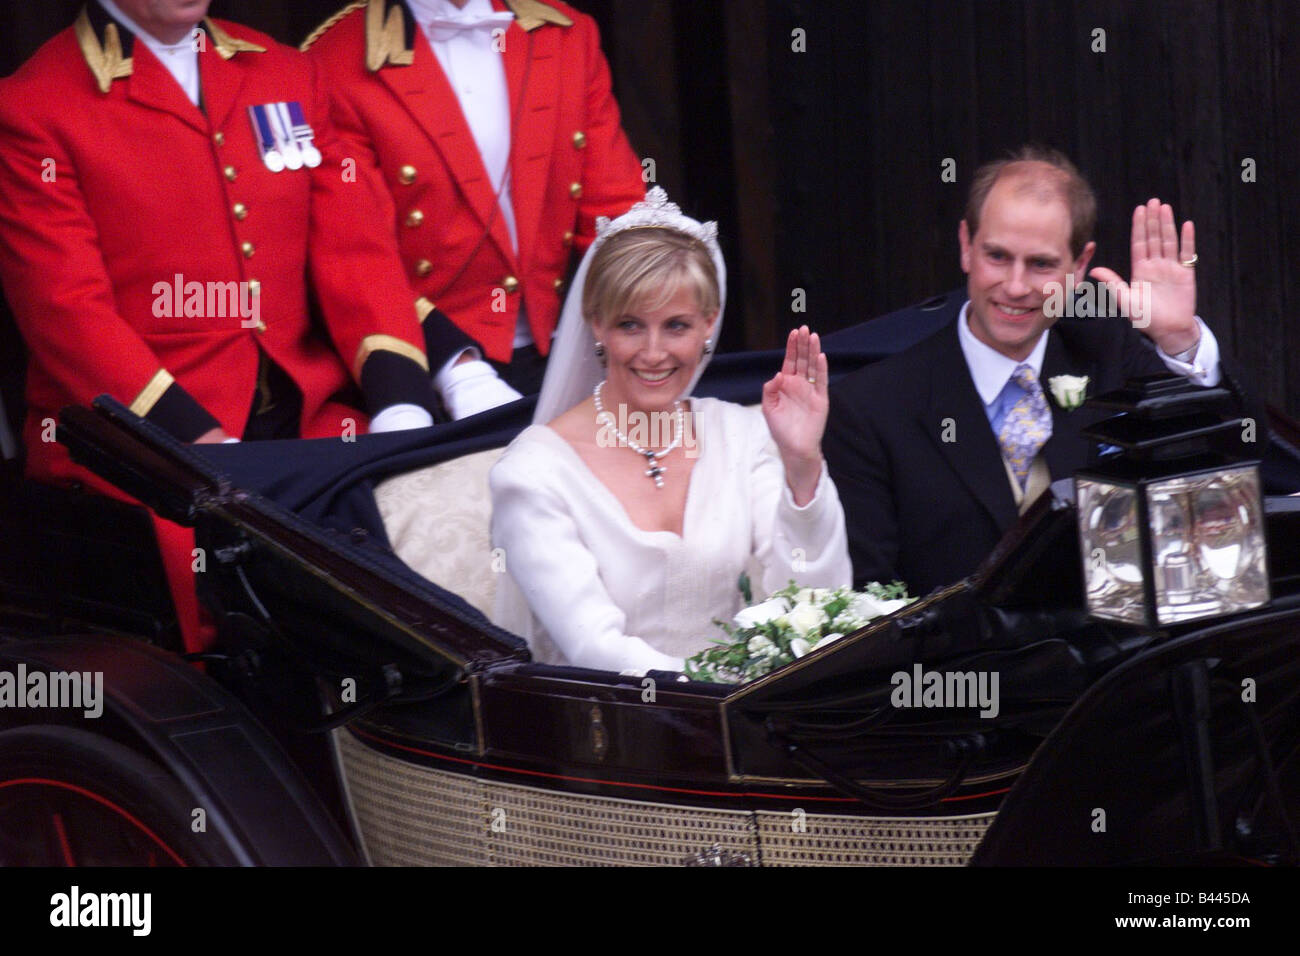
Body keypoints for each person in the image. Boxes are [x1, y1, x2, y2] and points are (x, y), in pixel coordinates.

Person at [0, 0, 507, 651]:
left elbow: (356, 253)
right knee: (232, 588)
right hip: (135, 435)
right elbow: (68, 315)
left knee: (436, 521)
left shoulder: (285, 73)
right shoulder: (35, 106)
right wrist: (197, 443)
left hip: (306, 414)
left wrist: (401, 406)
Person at [824, 146, 1258, 597]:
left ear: (1080, 265)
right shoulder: (870, 406)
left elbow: (1237, 454)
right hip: (956, 666)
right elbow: (870, 604)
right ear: (965, 246)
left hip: (1115, 661)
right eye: (997, 256)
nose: (1015, 286)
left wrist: (1178, 339)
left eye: (1041, 264)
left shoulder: (1109, 353)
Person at [489, 188, 851, 673]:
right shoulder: (532, 472)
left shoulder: (742, 434)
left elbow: (814, 602)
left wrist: (802, 466)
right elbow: (595, 648)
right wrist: (720, 703)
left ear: (709, 323)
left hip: (747, 717)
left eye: (676, 326)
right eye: (631, 325)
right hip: (609, 727)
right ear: (596, 324)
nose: (654, 353)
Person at [302, 0, 646, 402]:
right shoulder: (334, 60)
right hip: (424, 370)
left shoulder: (566, 32)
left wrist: (650, 320)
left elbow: (616, 210)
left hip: (556, 353)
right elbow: (358, 253)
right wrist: (458, 373)